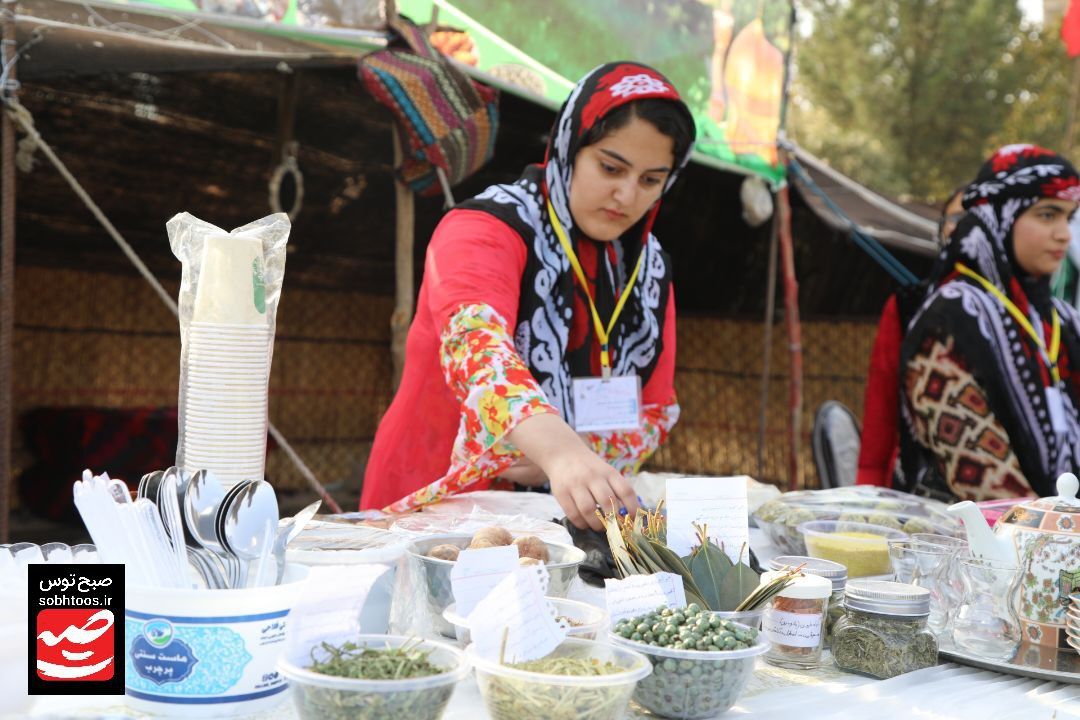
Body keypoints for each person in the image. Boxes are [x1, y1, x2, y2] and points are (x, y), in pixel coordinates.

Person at [360, 63, 695, 529]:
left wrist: (575, 454)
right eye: (610, 167)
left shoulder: (648, 267)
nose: (626, 195)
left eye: (651, 180)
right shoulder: (484, 228)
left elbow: (655, 408)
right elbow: (478, 348)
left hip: (563, 514)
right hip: (435, 504)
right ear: (570, 146)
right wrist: (559, 450)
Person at [899, 144, 1080, 500]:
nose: (1064, 234)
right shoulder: (953, 319)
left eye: (1068, 217)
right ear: (999, 217)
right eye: (1047, 215)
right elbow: (984, 481)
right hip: (979, 533)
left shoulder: (1062, 321)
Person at [855, 188, 965, 488]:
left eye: (978, 216)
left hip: (1007, 499)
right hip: (916, 486)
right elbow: (882, 404)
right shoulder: (909, 306)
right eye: (956, 218)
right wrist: (869, 483)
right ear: (940, 229)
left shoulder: (1027, 315)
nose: (966, 227)